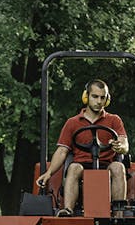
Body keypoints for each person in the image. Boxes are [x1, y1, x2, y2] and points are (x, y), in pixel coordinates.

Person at [34, 79, 129, 216]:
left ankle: (119, 214)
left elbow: (124, 143)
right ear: (86, 97)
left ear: (107, 99)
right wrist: (48, 173)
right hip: (81, 166)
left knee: (118, 167)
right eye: (95, 96)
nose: (99, 101)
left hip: (106, 165)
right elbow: (62, 151)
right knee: (73, 167)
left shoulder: (114, 120)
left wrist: (120, 147)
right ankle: (68, 210)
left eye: (103, 97)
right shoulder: (72, 123)